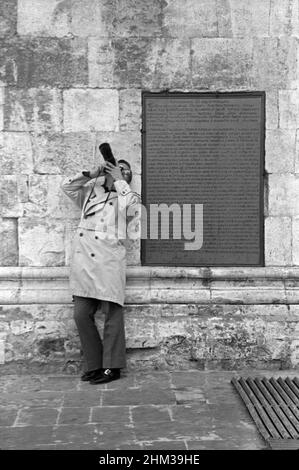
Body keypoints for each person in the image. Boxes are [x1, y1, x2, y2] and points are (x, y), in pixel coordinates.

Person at [60, 154, 140, 384]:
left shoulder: (128, 198)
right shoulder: (89, 193)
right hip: (84, 263)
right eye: (116, 169)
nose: (119, 172)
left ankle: (112, 367)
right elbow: (66, 186)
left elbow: (134, 209)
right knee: (81, 314)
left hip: (108, 263)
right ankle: (95, 364)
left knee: (112, 315)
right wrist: (91, 173)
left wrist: (120, 181)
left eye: (125, 171)